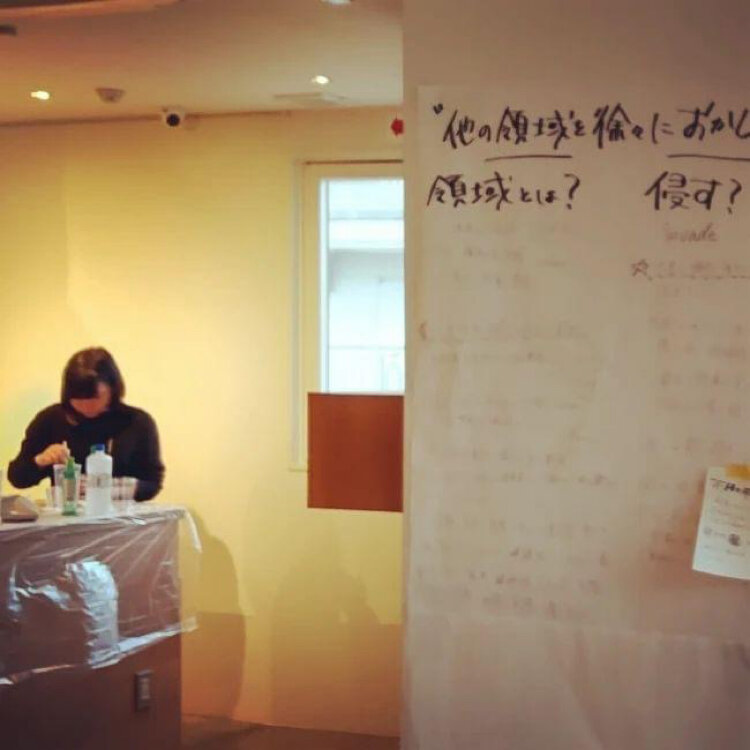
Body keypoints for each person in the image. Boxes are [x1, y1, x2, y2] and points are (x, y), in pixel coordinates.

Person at [7, 347, 164, 501]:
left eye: (95, 398)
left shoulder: (137, 422)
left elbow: (152, 484)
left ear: (113, 388)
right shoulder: (51, 419)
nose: (86, 406)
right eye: (78, 399)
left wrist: (105, 488)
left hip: (122, 515)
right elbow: (17, 478)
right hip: (68, 514)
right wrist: (40, 460)